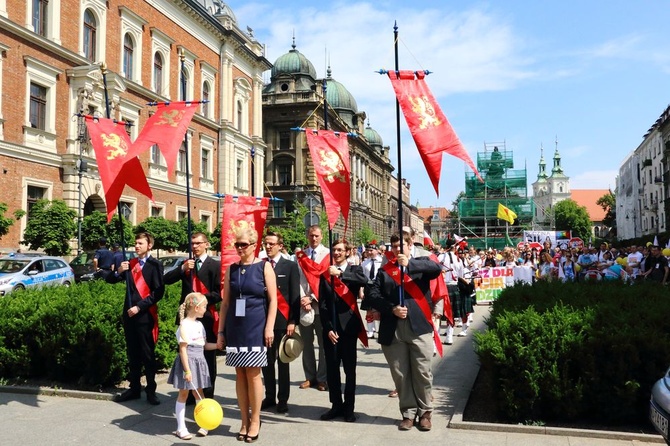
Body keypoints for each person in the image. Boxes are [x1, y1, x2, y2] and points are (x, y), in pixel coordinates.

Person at [367, 232, 443, 432]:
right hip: (393, 329)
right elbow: (373, 295)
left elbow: (436, 269)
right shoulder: (385, 271)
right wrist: (391, 308)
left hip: (419, 327)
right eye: (393, 247)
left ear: (410, 245)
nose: (397, 250)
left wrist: (409, 264)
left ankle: (425, 412)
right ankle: (408, 413)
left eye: (401, 246)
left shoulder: (421, 263)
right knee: (401, 374)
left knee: (422, 372)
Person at [217, 228, 277, 443]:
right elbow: (225, 303)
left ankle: (255, 420)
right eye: (237, 245)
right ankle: (243, 420)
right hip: (235, 327)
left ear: (254, 245)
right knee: (239, 374)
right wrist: (221, 331)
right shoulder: (231, 269)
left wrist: (269, 327)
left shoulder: (264, 266)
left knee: (253, 374)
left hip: (256, 326)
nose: (240, 248)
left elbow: (273, 301)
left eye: (244, 244)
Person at [108, 232, 165, 405]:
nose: (137, 246)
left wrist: (139, 306)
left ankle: (151, 390)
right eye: (136, 243)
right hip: (129, 315)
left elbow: (158, 292)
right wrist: (119, 271)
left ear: (149, 246)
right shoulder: (130, 264)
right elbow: (110, 280)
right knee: (132, 352)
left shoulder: (155, 265)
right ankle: (134, 388)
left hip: (145, 315)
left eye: (140, 243)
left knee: (147, 354)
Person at [164, 232, 221, 400]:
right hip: (187, 319)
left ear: (206, 244)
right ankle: (189, 392)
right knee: (186, 355)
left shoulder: (214, 265)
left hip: (206, 317)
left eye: (198, 243)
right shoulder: (186, 264)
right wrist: (182, 269)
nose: (194, 246)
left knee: (207, 358)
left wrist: (201, 300)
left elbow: (219, 293)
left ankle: (207, 394)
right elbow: (166, 279)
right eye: (192, 243)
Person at [318, 239, 368, 423]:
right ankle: (335, 405)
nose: (337, 253)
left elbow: (364, 281)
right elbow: (322, 304)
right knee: (332, 369)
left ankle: (349, 408)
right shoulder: (326, 274)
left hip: (348, 327)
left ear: (347, 252)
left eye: (340, 250)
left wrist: (339, 274)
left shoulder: (354, 270)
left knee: (349, 369)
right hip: (331, 329)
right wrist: (328, 328)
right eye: (334, 250)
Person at [167, 292, 219, 440]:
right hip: (188, 363)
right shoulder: (184, 325)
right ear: (196, 308)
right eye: (204, 307)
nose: (205, 309)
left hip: (199, 361)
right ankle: (180, 427)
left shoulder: (199, 325)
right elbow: (183, 349)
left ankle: (203, 423)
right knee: (183, 393)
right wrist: (187, 370)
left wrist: (218, 346)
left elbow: (203, 345)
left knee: (199, 393)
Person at [261, 231, 300, 414]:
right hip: (264, 321)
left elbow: (294, 295)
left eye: (271, 244)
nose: (268, 247)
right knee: (266, 362)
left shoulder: (290, 266)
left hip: (283, 321)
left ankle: (282, 399)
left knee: (283, 362)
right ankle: (269, 396)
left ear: (280, 245)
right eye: (266, 243)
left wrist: (293, 320)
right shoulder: (260, 265)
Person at [297, 225, 330, 391]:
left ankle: (323, 378)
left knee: (323, 344)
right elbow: (297, 279)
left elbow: (327, 281)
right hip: (305, 307)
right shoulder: (300, 255)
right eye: (311, 235)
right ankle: (310, 377)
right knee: (307, 343)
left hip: (321, 305)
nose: (314, 239)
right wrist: (303, 297)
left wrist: (312, 298)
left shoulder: (328, 255)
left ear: (322, 236)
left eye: (316, 235)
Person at [360, 242, 383, 339]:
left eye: (371, 250)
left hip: (379, 287)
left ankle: (381, 330)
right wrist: (361, 290)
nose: (369, 252)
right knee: (368, 309)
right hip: (368, 287)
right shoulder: (365, 263)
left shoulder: (382, 261)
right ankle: (370, 331)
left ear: (377, 251)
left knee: (380, 309)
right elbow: (362, 278)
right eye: (368, 250)